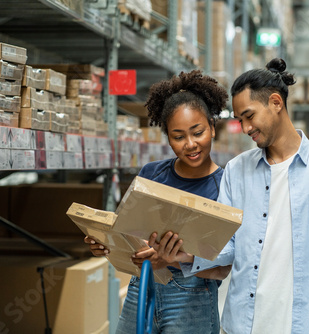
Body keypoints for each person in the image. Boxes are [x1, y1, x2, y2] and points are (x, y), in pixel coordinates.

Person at [151, 58, 309, 334]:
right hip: (245, 323)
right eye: (240, 120)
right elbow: (225, 244)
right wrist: (185, 254)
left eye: (249, 116)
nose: (245, 128)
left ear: (276, 102)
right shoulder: (237, 170)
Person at [84, 70, 230, 333]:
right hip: (142, 286)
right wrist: (109, 244)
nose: (190, 144)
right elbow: (131, 235)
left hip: (191, 299)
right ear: (167, 137)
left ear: (212, 126)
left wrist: (172, 260)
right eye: (178, 136)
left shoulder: (225, 186)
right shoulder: (152, 174)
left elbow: (224, 267)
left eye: (197, 132)